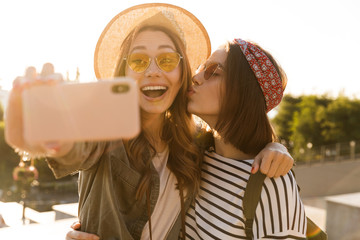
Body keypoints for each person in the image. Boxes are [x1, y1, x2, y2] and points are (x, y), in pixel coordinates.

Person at [5, 4, 293, 240]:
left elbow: (239, 138)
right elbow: (70, 143)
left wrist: (273, 147)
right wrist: (36, 125)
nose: (153, 71)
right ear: (124, 73)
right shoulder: (107, 128)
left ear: (182, 72)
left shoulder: (197, 146)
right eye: (139, 61)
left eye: (167, 60)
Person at [183, 38, 307, 239]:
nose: (196, 77)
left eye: (213, 71)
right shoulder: (194, 154)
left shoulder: (272, 182)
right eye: (199, 68)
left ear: (244, 92)